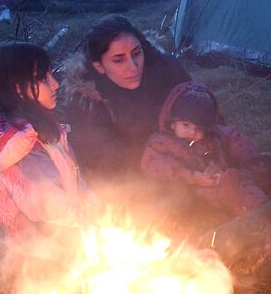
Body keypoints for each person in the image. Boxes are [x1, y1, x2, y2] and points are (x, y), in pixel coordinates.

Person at [0, 43, 86, 239]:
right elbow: (45, 202)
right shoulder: (13, 141)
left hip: (67, 236)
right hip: (38, 252)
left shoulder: (41, 128)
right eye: (44, 79)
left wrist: (96, 208)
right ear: (17, 88)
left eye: (52, 75)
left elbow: (72, 178)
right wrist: (90, 226)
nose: (56, 84)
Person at [59, 15, 190, 179]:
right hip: (136, 181)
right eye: (119, 60)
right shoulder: (85, 100)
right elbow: (102, 161)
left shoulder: (166, 69)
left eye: (136, 54)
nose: (133, 67)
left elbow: (202, 110)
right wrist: (161, 159)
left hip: (188, 162)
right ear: (99, 66)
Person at [140, 81, 271, 222]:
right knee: (209, 196)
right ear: (172, 123)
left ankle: (268, 214)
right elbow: (152, 163)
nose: (192, 132)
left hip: (221, 179)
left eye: (199, 128)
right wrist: (192, 176)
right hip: (190, 189)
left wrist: (252, 165)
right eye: (186, 125)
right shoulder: (162, 141)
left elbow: (235, 140)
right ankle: (251, 217)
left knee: (249, 184)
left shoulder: (214, 137)